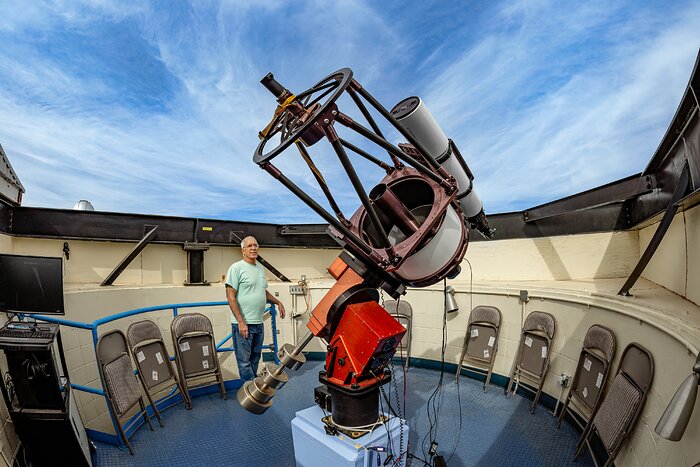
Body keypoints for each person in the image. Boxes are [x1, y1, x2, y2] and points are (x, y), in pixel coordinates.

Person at [225, 236, 285, 381]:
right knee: (244, 362)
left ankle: (252, 387)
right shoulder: (236, 268)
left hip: (258, 323)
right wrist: (240, 322)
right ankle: (251, 389)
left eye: (255, 245)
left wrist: (278, 302)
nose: (253, 248)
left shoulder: (259, 268)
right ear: (243, 250)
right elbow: (230, 296)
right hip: (243, 324)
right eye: (249, 246)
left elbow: (262, 291)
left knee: (255, 358)